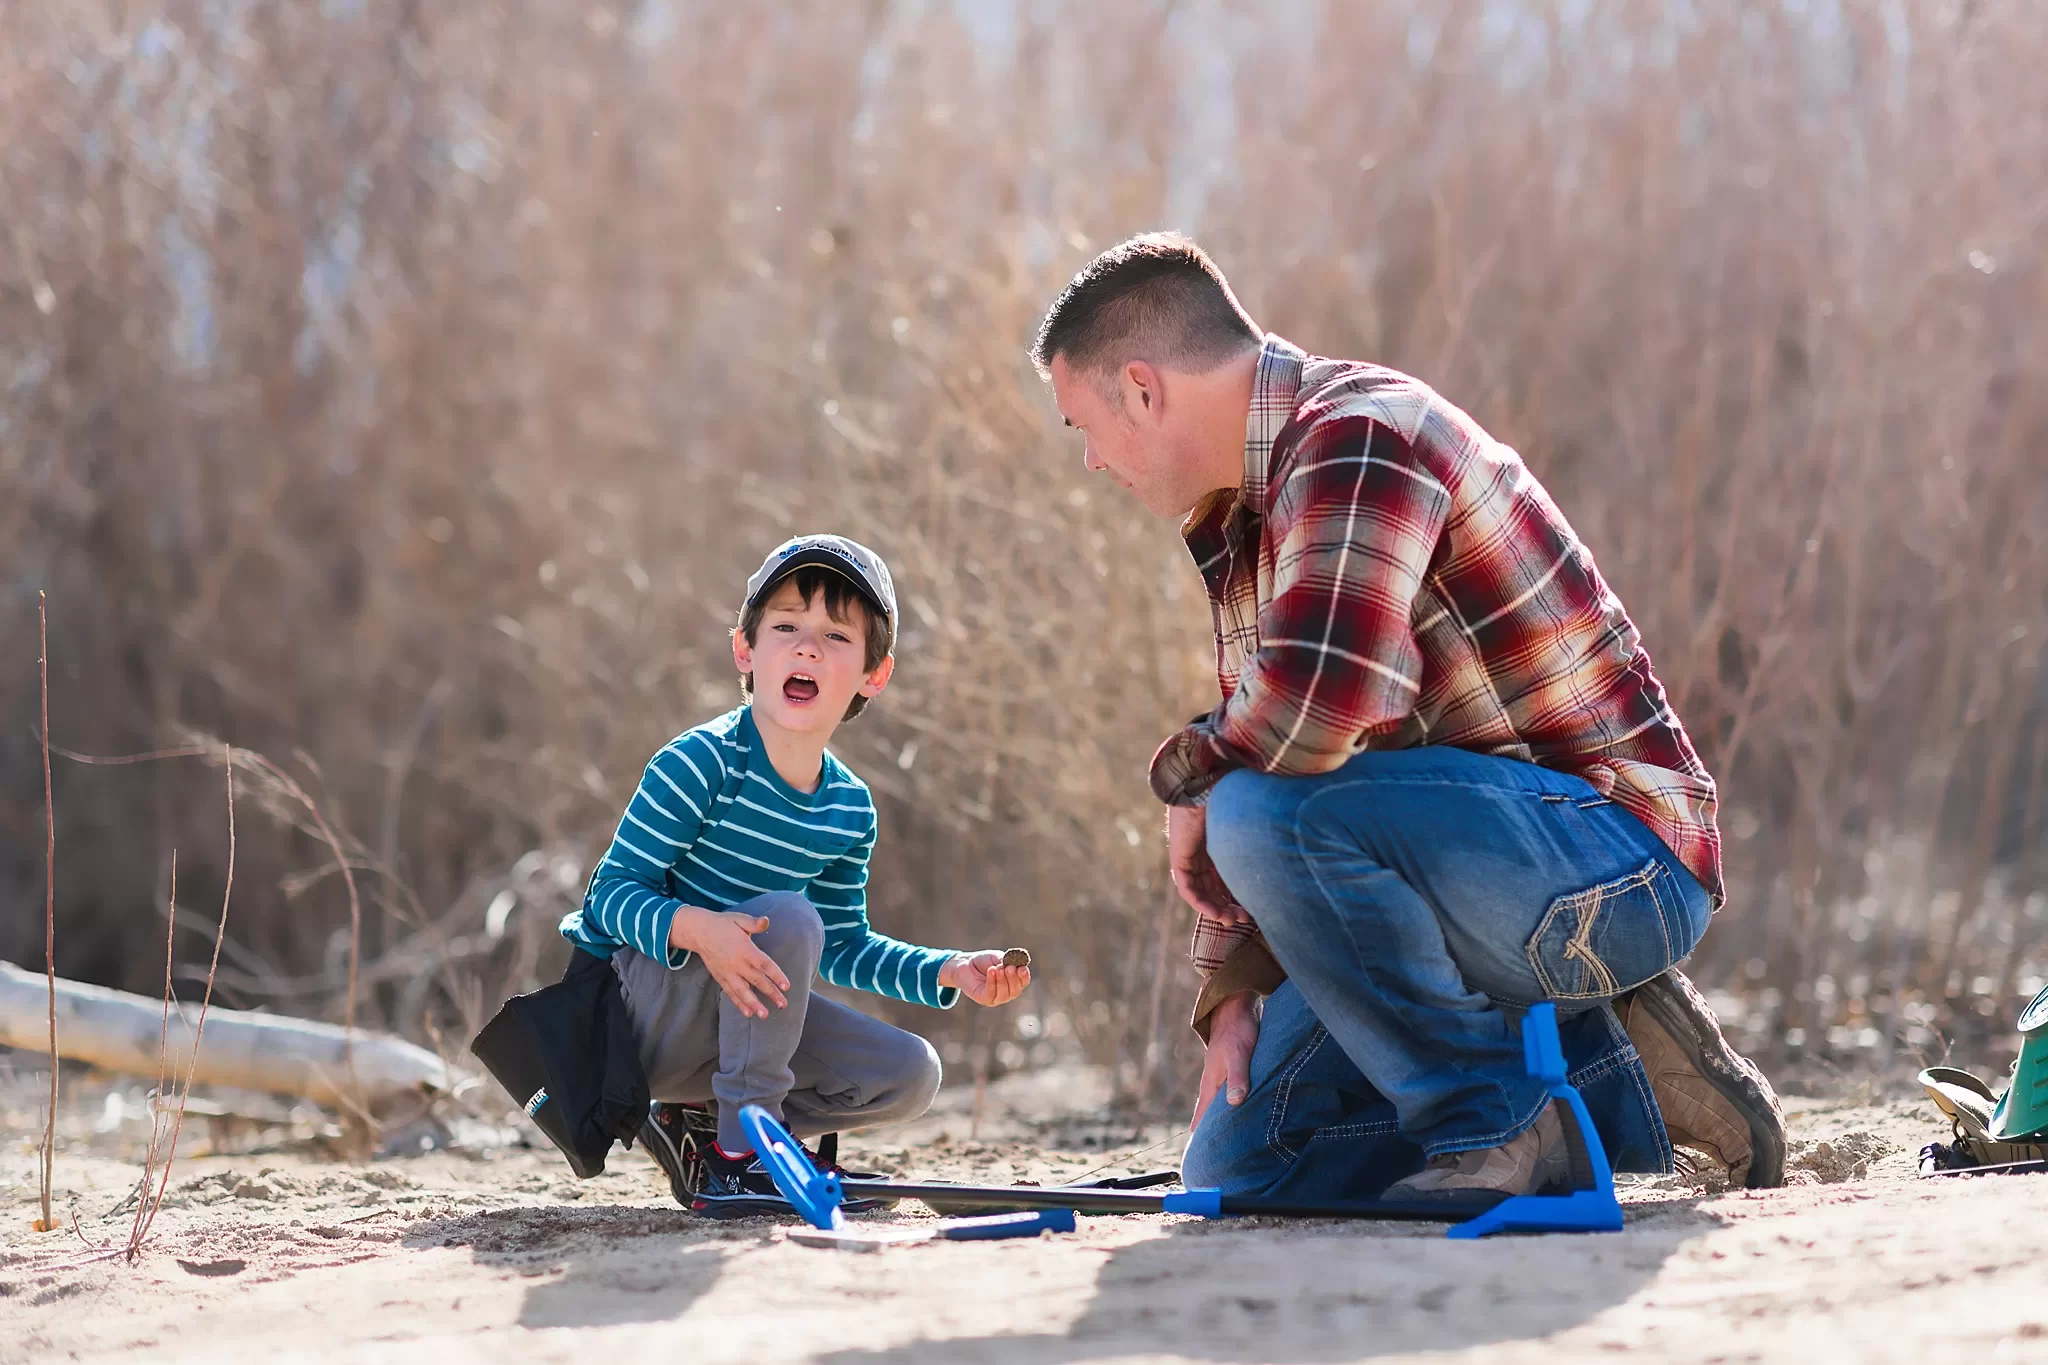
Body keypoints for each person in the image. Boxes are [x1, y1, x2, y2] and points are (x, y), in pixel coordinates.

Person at [1031, 233, 1784, 1205]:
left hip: (1613, 868)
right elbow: (1281, 749)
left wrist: (1188, 782)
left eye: (1081, 427)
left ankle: (1496, 1123)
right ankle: (1611, 1069)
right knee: (1245, 1168)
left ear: (1142, 388)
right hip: (1468, 879)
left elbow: (1307, 715)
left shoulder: (1356, 437)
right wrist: (1230, 991)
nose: (1090, 463)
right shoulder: (1241, 519)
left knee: (1253, 810)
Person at [557, 534, 1031, 1211]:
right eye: (786, 626)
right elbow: (607, 900)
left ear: (875, 673)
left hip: (729, 1028)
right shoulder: (701, 763)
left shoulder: (848, 807)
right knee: (785, 918)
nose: (807, 647)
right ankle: (743, 1154)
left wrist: (948, 970)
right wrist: (703, 931)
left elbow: (840, 946)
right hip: (626, 1025)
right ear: (746, 652)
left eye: (836, 634)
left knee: (908, 1074)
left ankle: (704, 1123)